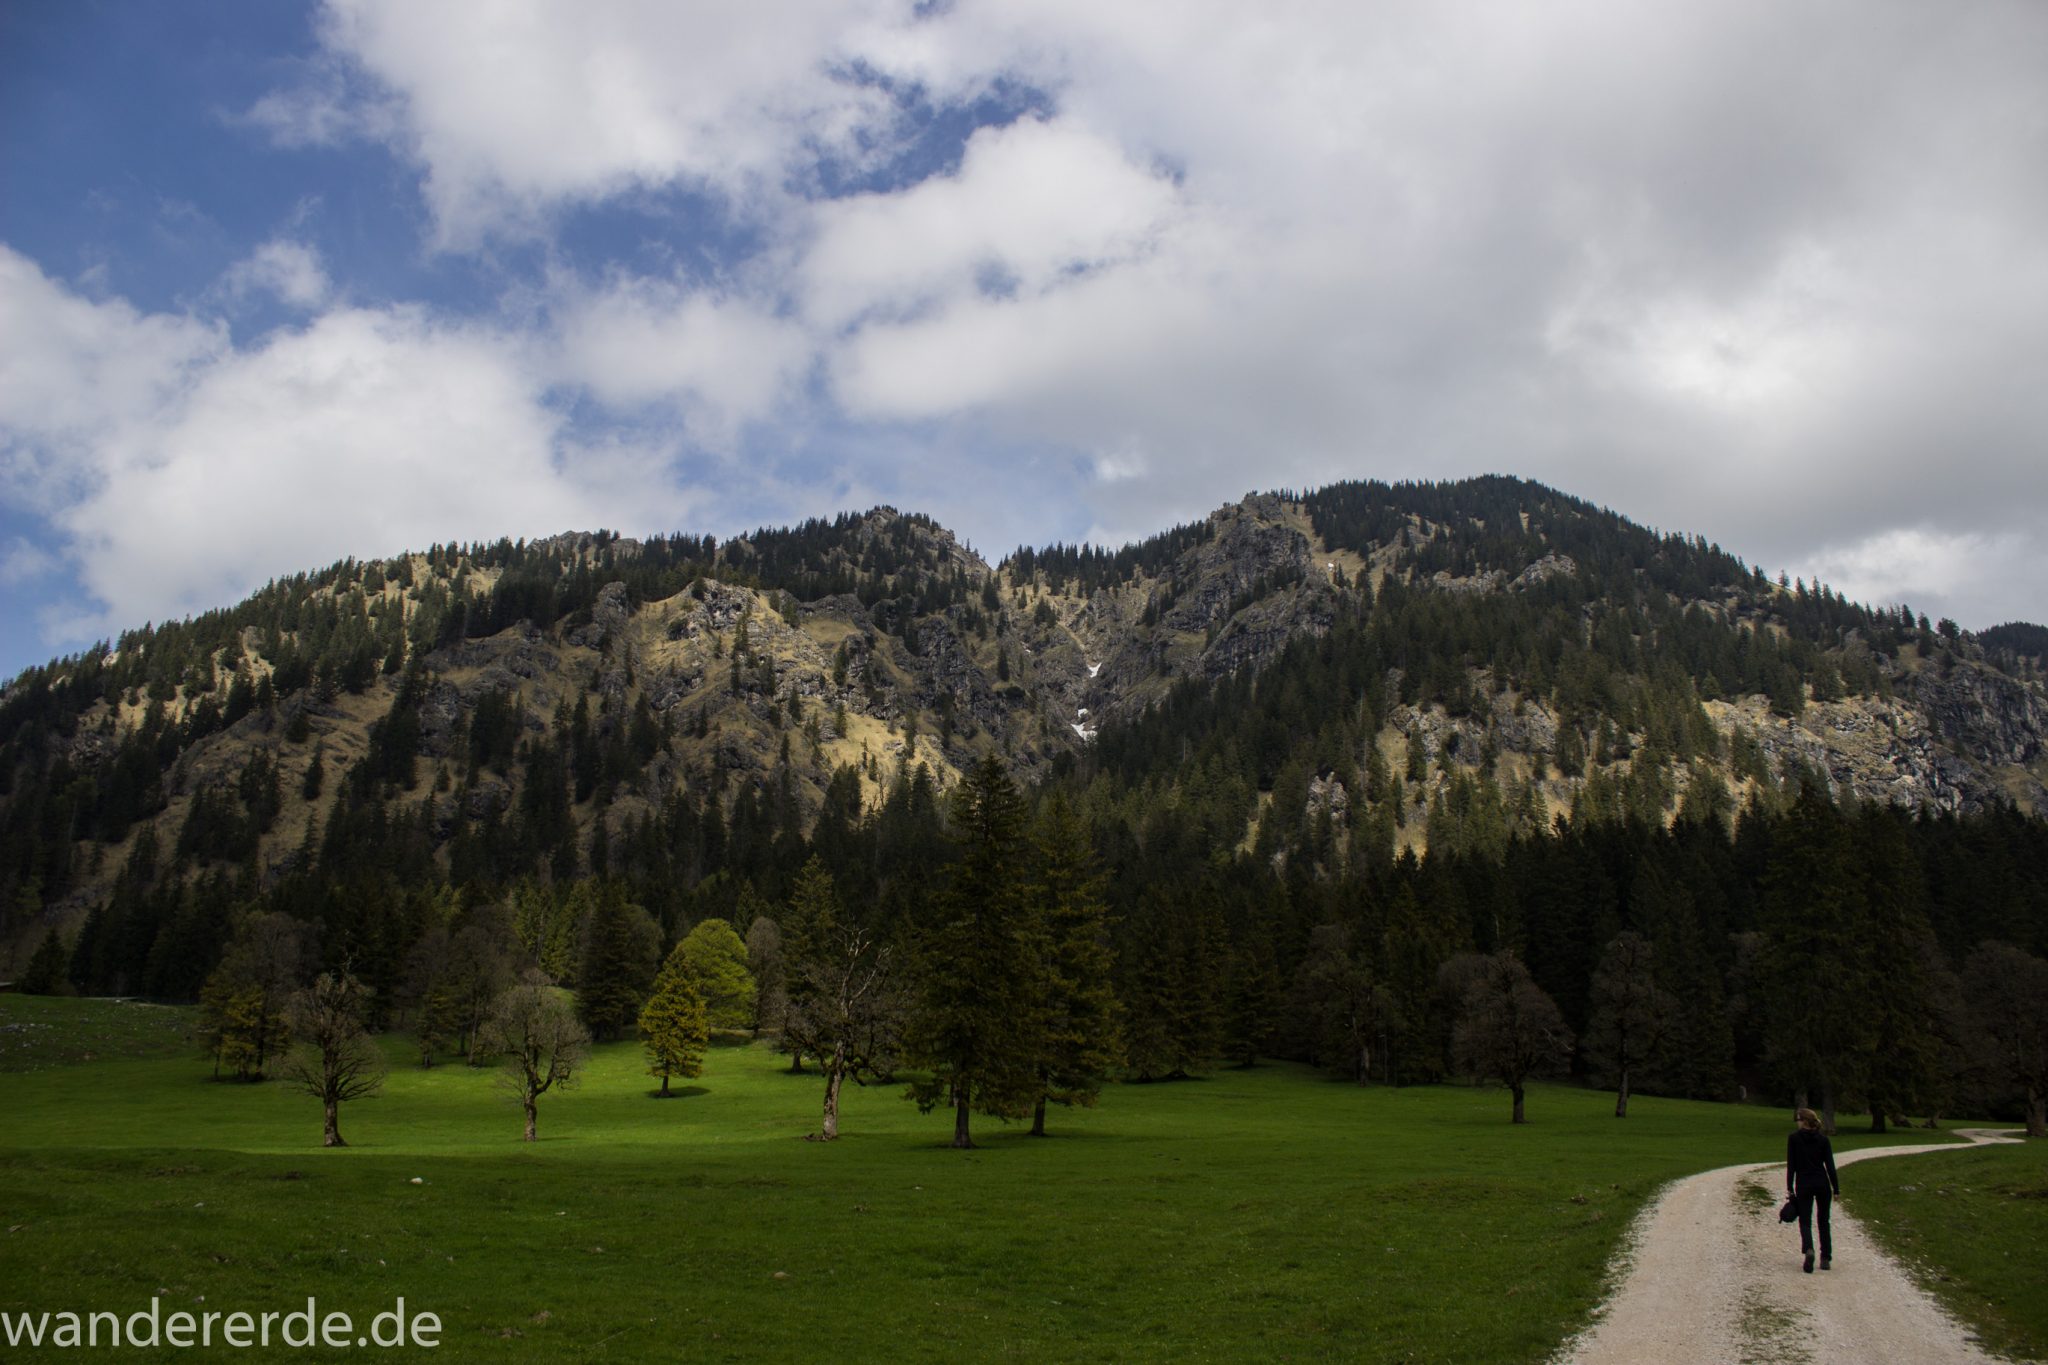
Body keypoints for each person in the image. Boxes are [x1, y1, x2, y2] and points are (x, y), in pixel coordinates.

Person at [1786, 1107, 1840, 1273]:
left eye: (1798, 1119)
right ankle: (1825, 1258)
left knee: (1805, 1220)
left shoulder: (1794, 1139)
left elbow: (1791, 1165)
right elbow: (1830, 1166)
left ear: (1803, 1121)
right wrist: (1836, 1188)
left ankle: (1809, 1249)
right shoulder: (1823, 1140)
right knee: (1824, 1220)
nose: (1797, 1122)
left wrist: (1790, 1187)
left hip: (1804, 1184)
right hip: (1822, 1184)